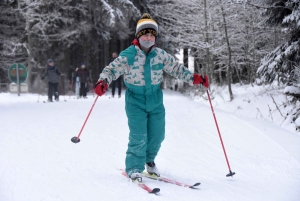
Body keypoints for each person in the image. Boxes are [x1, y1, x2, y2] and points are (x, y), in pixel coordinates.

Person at [94, 13, 209, 181]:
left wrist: (194, 78)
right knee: (139, 135)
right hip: (136, 100)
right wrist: (103, 81)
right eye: (145, 34)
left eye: (151, 34)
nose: (148, 37)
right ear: (138, 36)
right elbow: (112, 69)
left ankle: (149, 160)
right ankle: (134, 167)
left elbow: (176, 68)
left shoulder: (160, 55)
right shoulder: (129, 55)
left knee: (157, 135)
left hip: (155, 99)